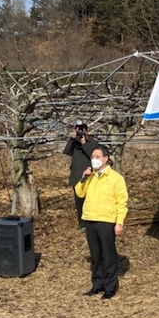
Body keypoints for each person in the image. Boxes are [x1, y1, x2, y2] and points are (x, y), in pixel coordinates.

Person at [74, 144, 128, 299]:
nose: (94, 159)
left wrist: (119, 223)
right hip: (90, 219)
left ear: (106, 158)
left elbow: (121, 202)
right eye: (92, 157)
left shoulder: (115, 178)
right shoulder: (90, 176)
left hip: (106, 220)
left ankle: (110, 286)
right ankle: (97, 284)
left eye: (97, 157)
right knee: (96, 255)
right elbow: (79, 192)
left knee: (108, 254)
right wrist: (84, 177)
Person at [62, 119, 99, 230]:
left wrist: (83, 142)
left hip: (90, 176)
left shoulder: (93, 142)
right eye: (78, 131)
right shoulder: (74, 143)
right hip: (77, 176)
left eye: (82, 131)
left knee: (91, 201)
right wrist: (72, 139)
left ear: (87, 131)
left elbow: (93, 154)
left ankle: (92, 223)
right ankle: (82, 224)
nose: (80, 133)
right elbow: (67, 151)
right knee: (79, 202)